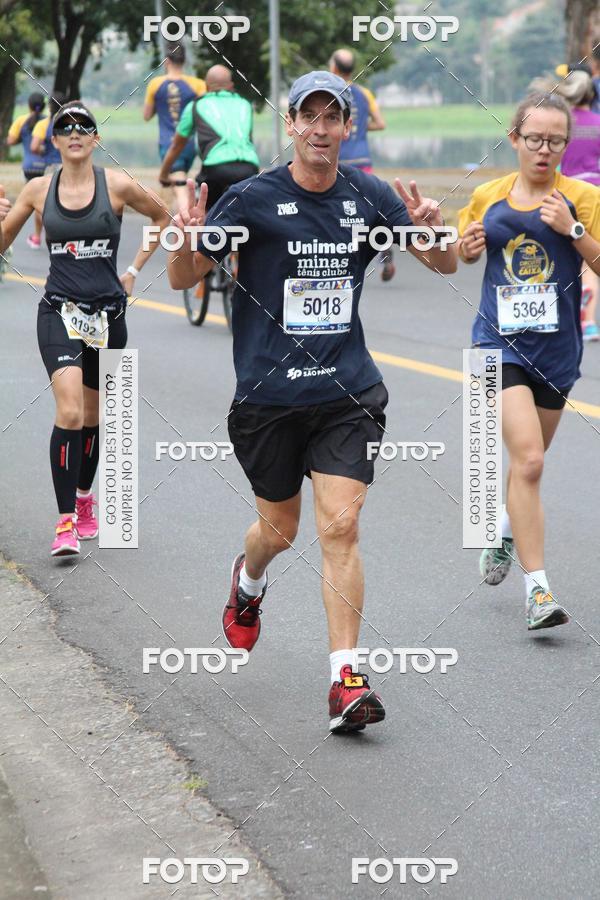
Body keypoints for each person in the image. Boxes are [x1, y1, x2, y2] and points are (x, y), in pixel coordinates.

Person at [167, 71, 457, 731]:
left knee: (341, 526)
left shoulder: (368, 195)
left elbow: (444, 265)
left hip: (346, 392)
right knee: (278, 530)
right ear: (291, 124)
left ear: (348, 127)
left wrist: (435, 233)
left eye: (333, 118)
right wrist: (186, 239)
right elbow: (185, 276)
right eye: (310, 117)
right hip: (267, 397)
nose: (321, 130)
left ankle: (345, 680)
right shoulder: (251, 199)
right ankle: (248, 581)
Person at [0, 101, 170, 556]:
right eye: (65, 127)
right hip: (58, 312)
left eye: (84, 126)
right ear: (54, 140)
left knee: (93, 417)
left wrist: (133, 269)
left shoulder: (116, 185)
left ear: (96, 138)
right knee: (71, 411)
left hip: (108, 317)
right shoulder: (38, 190)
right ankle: (65, 524)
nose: (74, 132)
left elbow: (164, 216)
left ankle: (84, 497)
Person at [458, 91, 600, 629]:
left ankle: (502, 528)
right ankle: (538, 592)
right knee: (532, 461)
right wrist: (466, 248)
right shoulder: (488, 196)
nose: (545, 150)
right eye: (535, 139)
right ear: (514, 138)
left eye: (555, 142)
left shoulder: (582, 198)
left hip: (558, 352)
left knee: (527, 464)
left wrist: (574, 230)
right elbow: (461, 250)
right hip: (496, 346)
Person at [329, 49, 393, 281]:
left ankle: (338, 260)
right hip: (362, 160)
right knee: (370, 209)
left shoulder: (330, 93)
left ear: (334, 68)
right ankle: (385, 252)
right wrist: (358, 128)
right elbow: (381, 123)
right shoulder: (364, 93)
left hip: (338, 162)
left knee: (334, 211)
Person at [157, 64, 259, 210]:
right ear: (231, 86)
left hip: (215, 169)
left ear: (206, 86)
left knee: (201, 213)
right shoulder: (245, 104)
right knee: (248, 214)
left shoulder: (196, 105)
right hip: (249, 168)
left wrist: (163, 174)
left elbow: (176, 146)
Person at [553, 70, 600, 341]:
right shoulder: (598, 122)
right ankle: (589, 323)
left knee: (565, 256)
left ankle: (565, 316)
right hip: (596, 194)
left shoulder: (563, 125)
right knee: (591, 256)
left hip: (568, 194)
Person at [144, 43, 205, 210]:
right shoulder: (198, 85)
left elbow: (146, 116)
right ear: (184, 61)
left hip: (168, 145)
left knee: (179, 186)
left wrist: (161, 103)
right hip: (190, 144)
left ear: (166, 61)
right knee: (179, 182)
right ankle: (180, 222)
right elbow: (204, 112)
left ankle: (185, 221)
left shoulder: (155, 84)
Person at [7, 92, 47, 248]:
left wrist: (22, 138)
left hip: (29, 166)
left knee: (36, 200)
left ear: (29, 105)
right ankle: (45, 234)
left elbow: (10, 140)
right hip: (47, 165)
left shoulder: (21, 120)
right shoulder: (47, 121)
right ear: (43, 106)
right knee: (46, 199)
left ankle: (36, 236)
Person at [31, 93, 66, 175]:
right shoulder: (69, 123)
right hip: (67, 165)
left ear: (50, 106)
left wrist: (43, 150)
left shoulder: (43, 124)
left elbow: (34, 147)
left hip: (50, 165)